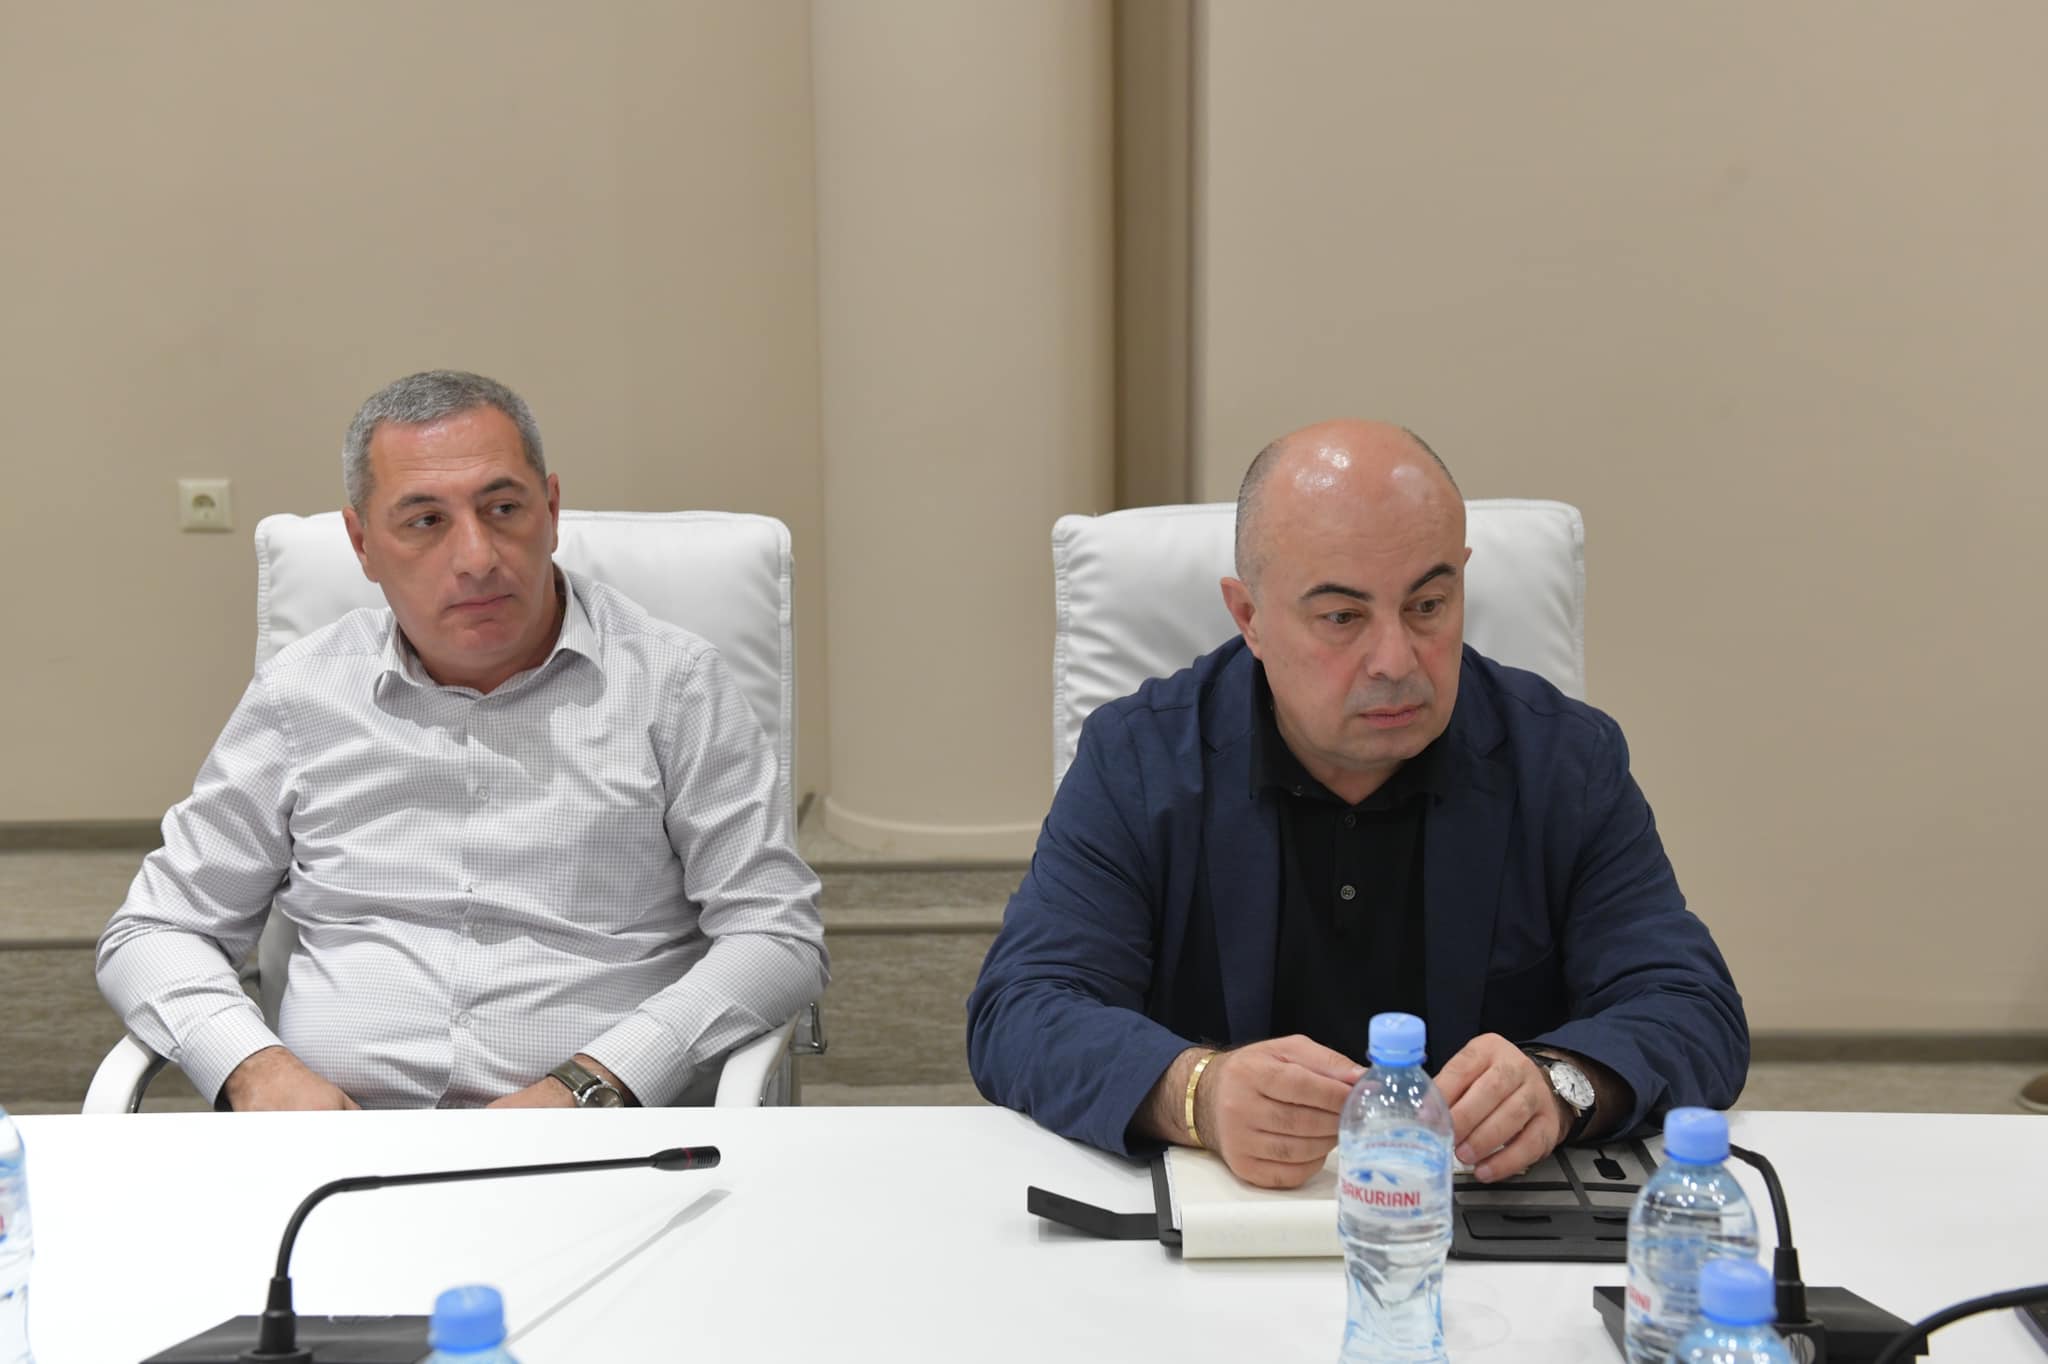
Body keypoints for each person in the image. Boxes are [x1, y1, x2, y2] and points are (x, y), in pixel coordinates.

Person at [967, 419, 1747, 1187]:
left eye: (1428, 605)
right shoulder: (1138, 760)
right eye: (1342, 617)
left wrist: (1561, 1084)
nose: (1395, 661)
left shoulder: (1564, 762)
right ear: (1249, 618)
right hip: (1226, 1211)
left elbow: (1691, 1006)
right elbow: (1023, 1008)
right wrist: (1195, 1092)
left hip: (1472, 1216)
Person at [98, 370, 827, 1111]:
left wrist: (592, 1084)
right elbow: (157, 928)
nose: (477, 557)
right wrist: (256, 1068)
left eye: (503, 509)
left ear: (551, 510)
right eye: (425, 521)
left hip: (594, 1136)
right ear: (362, 544)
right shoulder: (301, 694)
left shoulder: (674, 686)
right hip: (339, 1142)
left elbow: (775, 933)